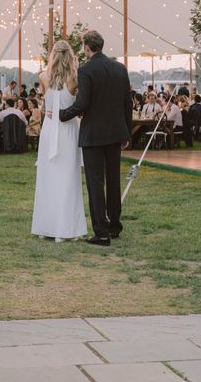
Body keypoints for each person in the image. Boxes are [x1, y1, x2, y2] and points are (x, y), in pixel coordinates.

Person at [60, 30, 132, 246]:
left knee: (95, 182)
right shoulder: (120, 68)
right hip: (116, 132)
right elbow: (128, 103)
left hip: (94, 134)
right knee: (113, 180)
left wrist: (63, 115)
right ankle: (114, 226)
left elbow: (83, 103)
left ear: (86, 47)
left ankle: (101, 232)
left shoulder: (86, 70)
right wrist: (126, 131)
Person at [32, 40, 87, 242]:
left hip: (49, 129)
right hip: (68, 130)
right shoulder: (75, 78)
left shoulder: (43, 77)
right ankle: (66, 229)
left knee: (49, 176)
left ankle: (46, 226)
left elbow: (46, 102)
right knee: (68, 177)